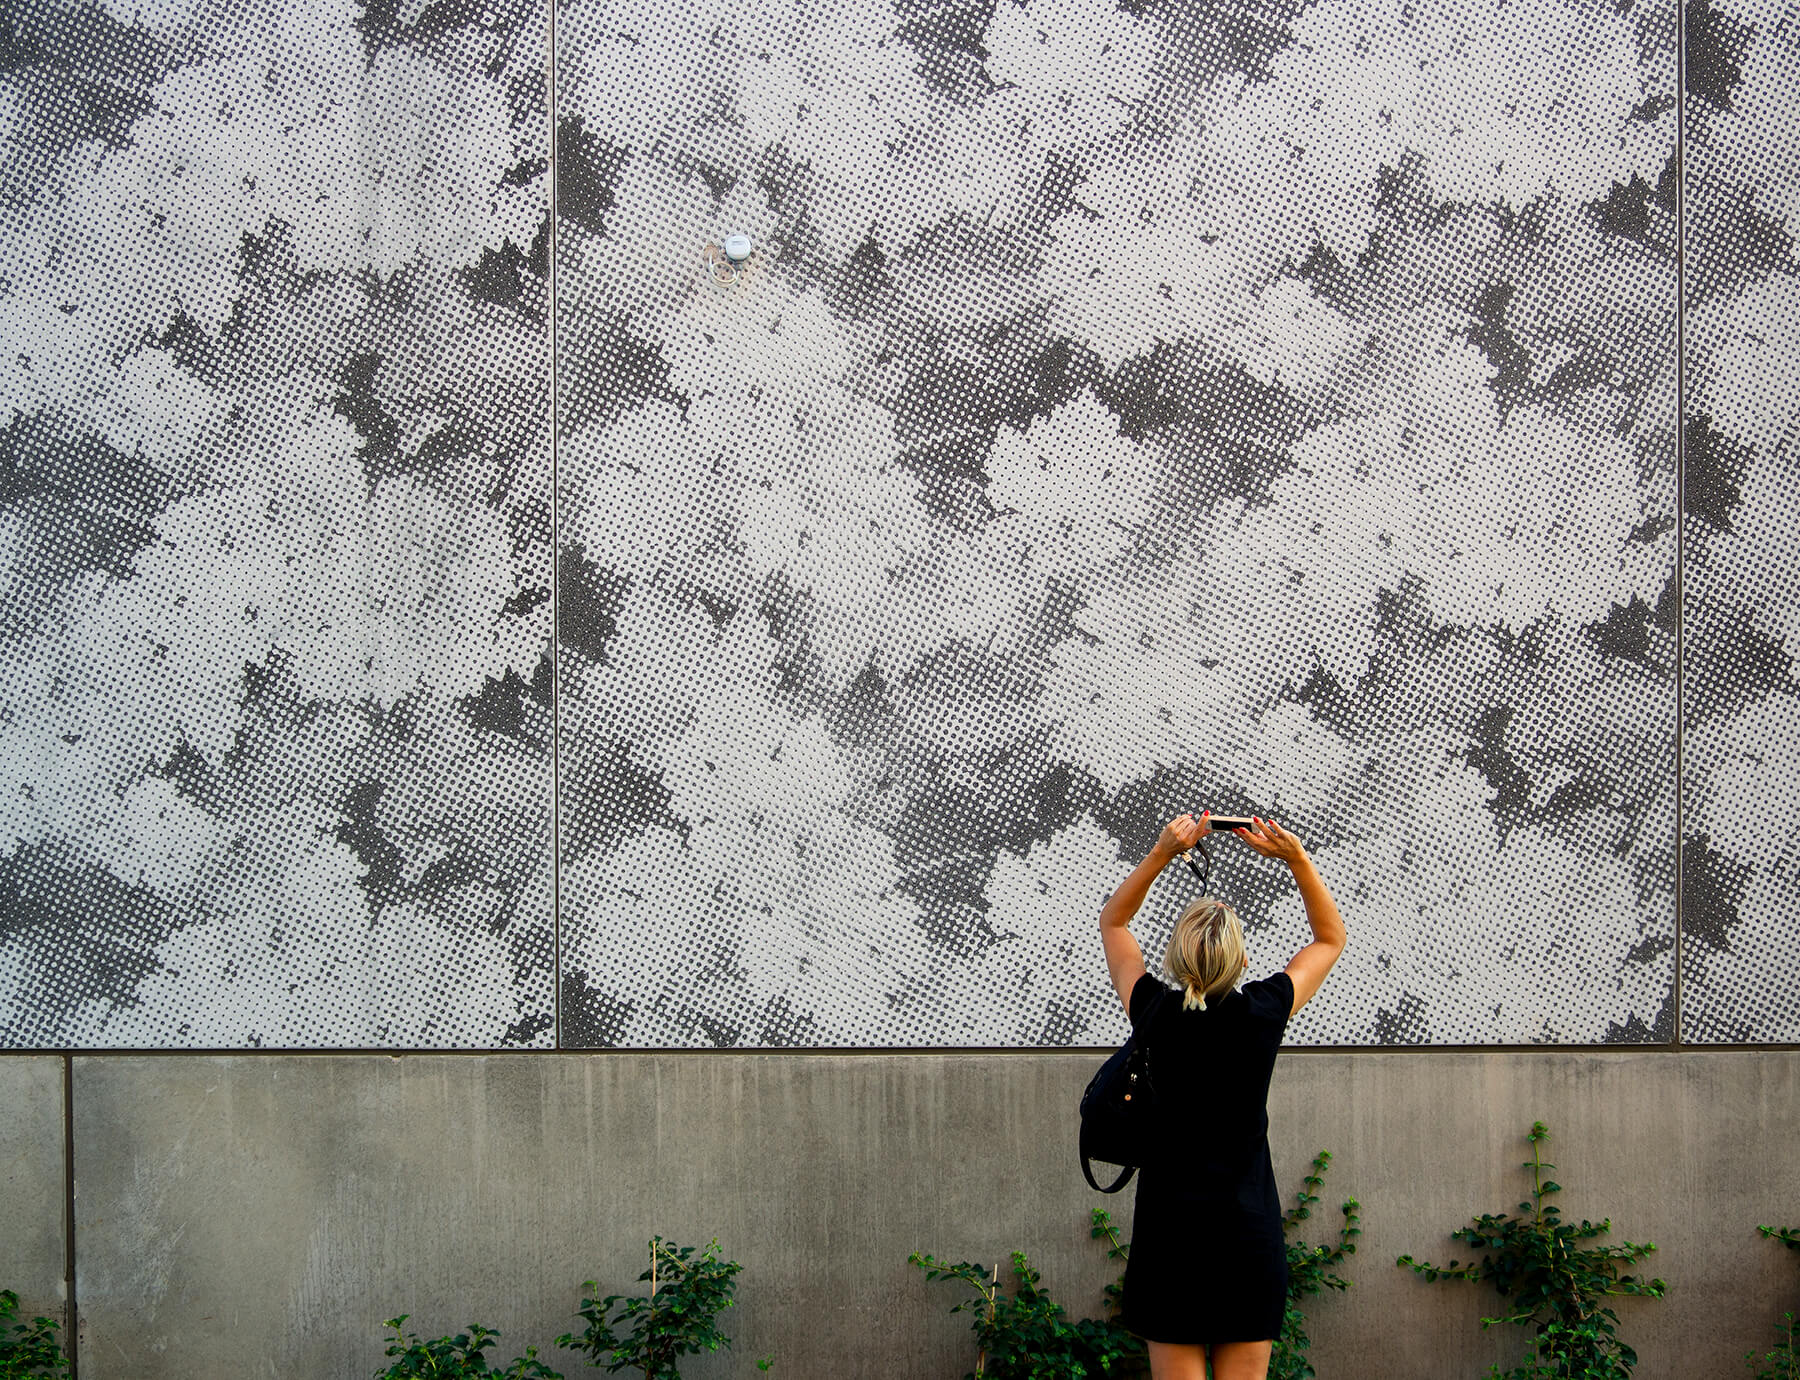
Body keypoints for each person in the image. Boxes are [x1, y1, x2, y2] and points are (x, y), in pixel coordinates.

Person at [1097, 811, 1347, 1380]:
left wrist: (1162, 852)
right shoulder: (1264, 1012)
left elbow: (1114, 922)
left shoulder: (1153, 1011)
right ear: (1243, 960)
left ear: (1174, 958)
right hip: (1246, 1233)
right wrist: (1297, 859)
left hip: (1169, 1237)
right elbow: (1330, 939)